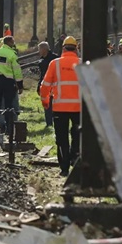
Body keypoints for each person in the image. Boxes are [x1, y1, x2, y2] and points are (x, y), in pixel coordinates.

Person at [40, 36, 81, 177]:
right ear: (76, 48)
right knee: (77, 136)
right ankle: (75, 160)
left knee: (62, 138)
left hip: (59, 109)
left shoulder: (55, 64)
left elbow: (45, 86)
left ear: (63, 48)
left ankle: (64, 169)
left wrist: (45, 102)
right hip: (78, 109)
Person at [0, 35, 23, 137]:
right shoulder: (12, 54)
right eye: (13, 42)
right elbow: (17, 71)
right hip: (8, 83)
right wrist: (20, 85)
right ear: (10, 43)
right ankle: (8, 129)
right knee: (8, 106)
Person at [37, 42, 58, 128]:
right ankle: (49, 123)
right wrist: (39, 86)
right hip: (46, 85)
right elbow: (42, 75)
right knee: (47, 104)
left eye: (39, 49)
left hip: (55, 85)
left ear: (44, 49)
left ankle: (55, 122)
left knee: (55, 105)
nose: (38, 51)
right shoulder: (41, 60)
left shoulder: (55, 59)